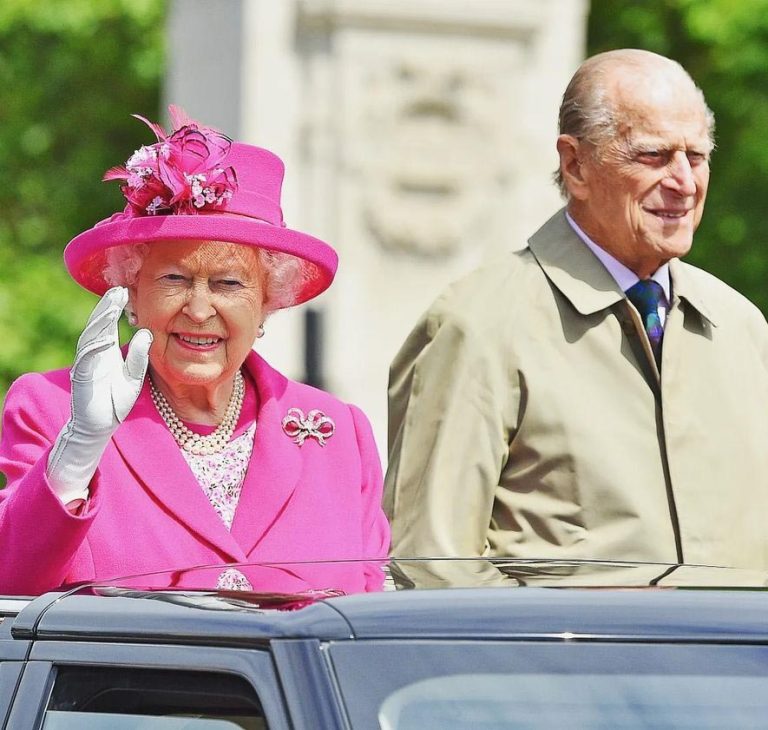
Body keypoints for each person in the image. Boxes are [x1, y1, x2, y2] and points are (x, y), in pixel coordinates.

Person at [384, 49, 768, 587]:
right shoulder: (478, 325)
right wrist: (553, 646)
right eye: (654, 155)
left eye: (697, 156)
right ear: (575, 165)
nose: (685, 182)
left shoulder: (743, 327)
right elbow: (432, 566)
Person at [0, 107, 389, 595]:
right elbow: (8, 584)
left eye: (229, 283)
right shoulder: (53, 409)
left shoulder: (340, 432)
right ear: (131, 292)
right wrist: (76, 453)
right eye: (174, 279)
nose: (200, 310)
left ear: (267, 300)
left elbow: (370, 612)